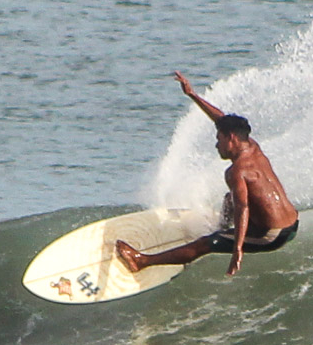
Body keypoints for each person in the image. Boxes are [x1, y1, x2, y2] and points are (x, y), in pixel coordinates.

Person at [116, 72, 298, 277]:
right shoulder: (253, 147)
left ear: (231, 139)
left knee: (206, 243)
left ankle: (141, 261)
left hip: (272, 235)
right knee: (229, 198)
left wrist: (237, 248)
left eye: (218, 139)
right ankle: (222, 228)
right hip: (292, 224)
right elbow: (221, 119)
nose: (216, 144)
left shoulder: (237, 171)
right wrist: (192, 95)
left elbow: (243, 209)